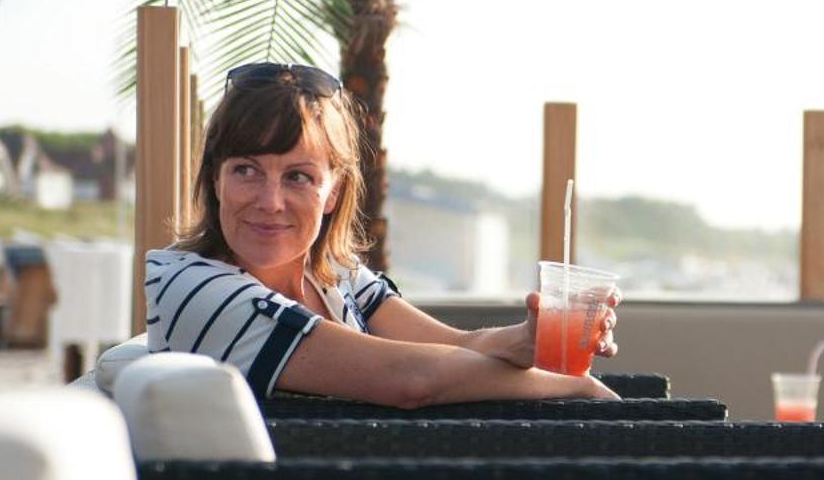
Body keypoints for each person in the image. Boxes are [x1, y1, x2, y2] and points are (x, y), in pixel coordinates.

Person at [145, 62, 618, 407]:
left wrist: (527, 341)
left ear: (333, 193)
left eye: (298, 177)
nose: (270, 201)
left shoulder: (335, 276)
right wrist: (575, 387)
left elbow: (455, 348)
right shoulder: (189, 286)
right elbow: (410, 378)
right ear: (215, 180)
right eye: (246, 170)